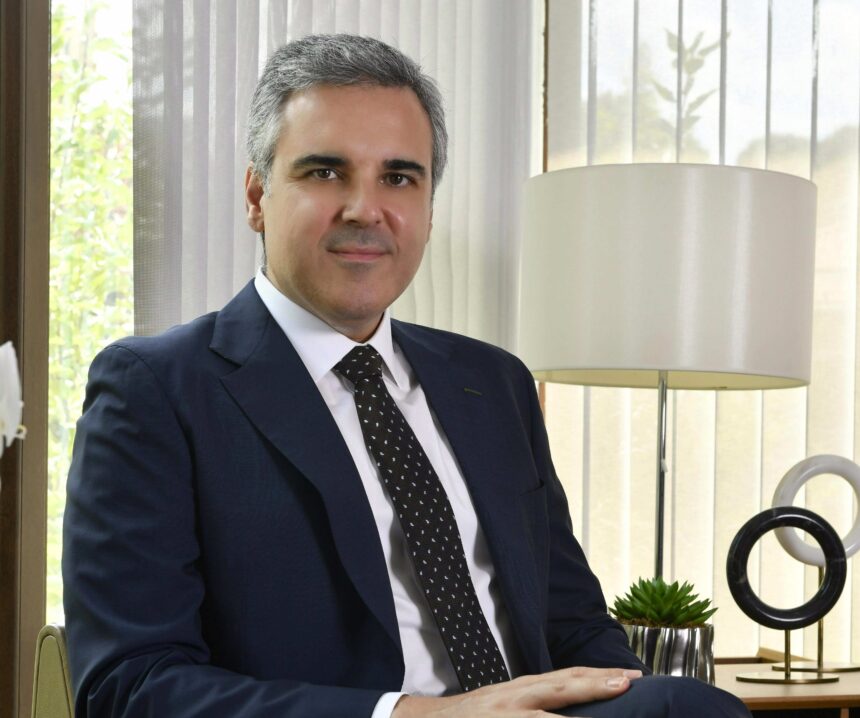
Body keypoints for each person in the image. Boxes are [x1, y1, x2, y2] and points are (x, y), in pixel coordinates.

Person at [63, 34, 750, 717]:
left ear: (428, 207)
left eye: (398, 178)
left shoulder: (494, 383)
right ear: (256, 195)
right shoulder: (156, 391)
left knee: (687, 706)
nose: (365, 209)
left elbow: (574, 626)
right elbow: (132, 686)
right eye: (324, 172)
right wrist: (421, 716)